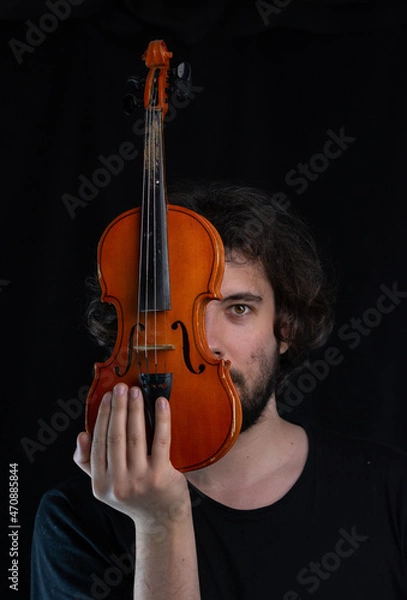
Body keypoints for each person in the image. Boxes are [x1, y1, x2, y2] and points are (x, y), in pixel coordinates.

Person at [31, 181, 407, 599]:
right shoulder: (73, 519)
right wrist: (160, 523)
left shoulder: (392, 490)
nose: (208, 343)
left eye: (238, 309)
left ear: (284, 327)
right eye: (173, 312)